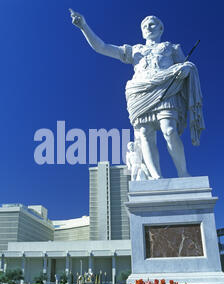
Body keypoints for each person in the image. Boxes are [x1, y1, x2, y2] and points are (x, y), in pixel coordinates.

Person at [70, 9, 205, 178]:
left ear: (161, 28)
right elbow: (102, 47)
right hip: (139, 93)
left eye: (152, 24)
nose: (148, 27)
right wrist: (83, 26)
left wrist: (186, 68)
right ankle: (156, 177)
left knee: (169, 130)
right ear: (142, 32)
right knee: (145, 135)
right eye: (144, 26)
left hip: (165, 90)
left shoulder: (171, 47)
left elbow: (185, 66)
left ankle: (183, 173)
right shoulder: (134, 50)